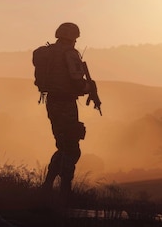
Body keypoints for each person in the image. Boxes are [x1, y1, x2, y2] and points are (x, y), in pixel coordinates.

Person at [36, 22, 92, 201]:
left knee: (63, 145)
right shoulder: (70, 53)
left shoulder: (48, 53)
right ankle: (65, 190)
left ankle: (47, 185)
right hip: (66, 103)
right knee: (72, 148)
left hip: (52, 102)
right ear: (72, 37)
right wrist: (88, 88)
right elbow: (76, 81)